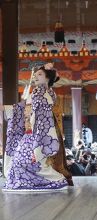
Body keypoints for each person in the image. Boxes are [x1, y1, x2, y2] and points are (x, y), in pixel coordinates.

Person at [0, 63, 73, 192]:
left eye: (39, 74)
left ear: (48, 78)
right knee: (21, 160)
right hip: (30, 133)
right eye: (35, 75)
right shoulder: (36, 93)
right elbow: (22, 108)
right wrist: (6, 108)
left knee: (29, 161)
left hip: (38, 134)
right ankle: (31, 183)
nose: (35, 76)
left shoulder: (46, 94)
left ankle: (55, 180)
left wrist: (38, 137)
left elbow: (42, 115)